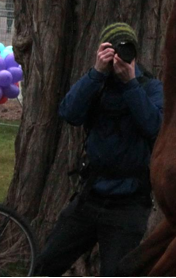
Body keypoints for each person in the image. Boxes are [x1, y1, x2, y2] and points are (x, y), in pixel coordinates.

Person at [35, 23, 164, 276]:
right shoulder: (97, 83)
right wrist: (96, 72)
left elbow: (156, 129)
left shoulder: (149, 87)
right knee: (46, 264)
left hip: (129, 204)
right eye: (112, 49)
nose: (119, 56)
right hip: (90, 196)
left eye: (126, 50)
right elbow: (69, 113)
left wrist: (130, 84)